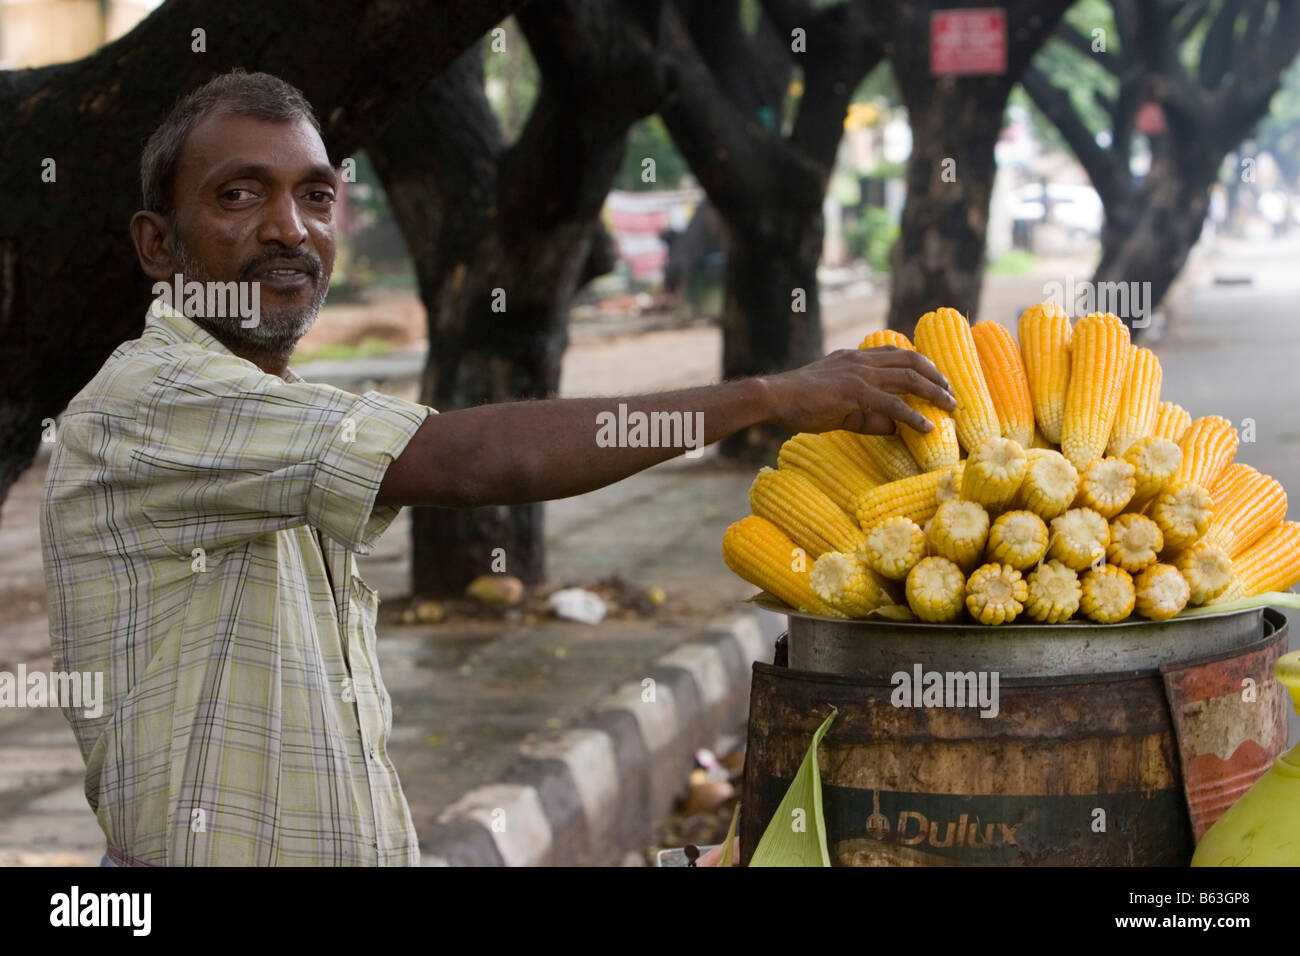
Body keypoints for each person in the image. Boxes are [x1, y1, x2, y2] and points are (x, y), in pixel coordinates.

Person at [40, 70, 955, 866]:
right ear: (159, 245)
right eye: (240, 195)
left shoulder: (268, 414)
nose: (290, 228)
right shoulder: (157, 400)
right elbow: (472, 458)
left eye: (316, 196)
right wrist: (767, 396)